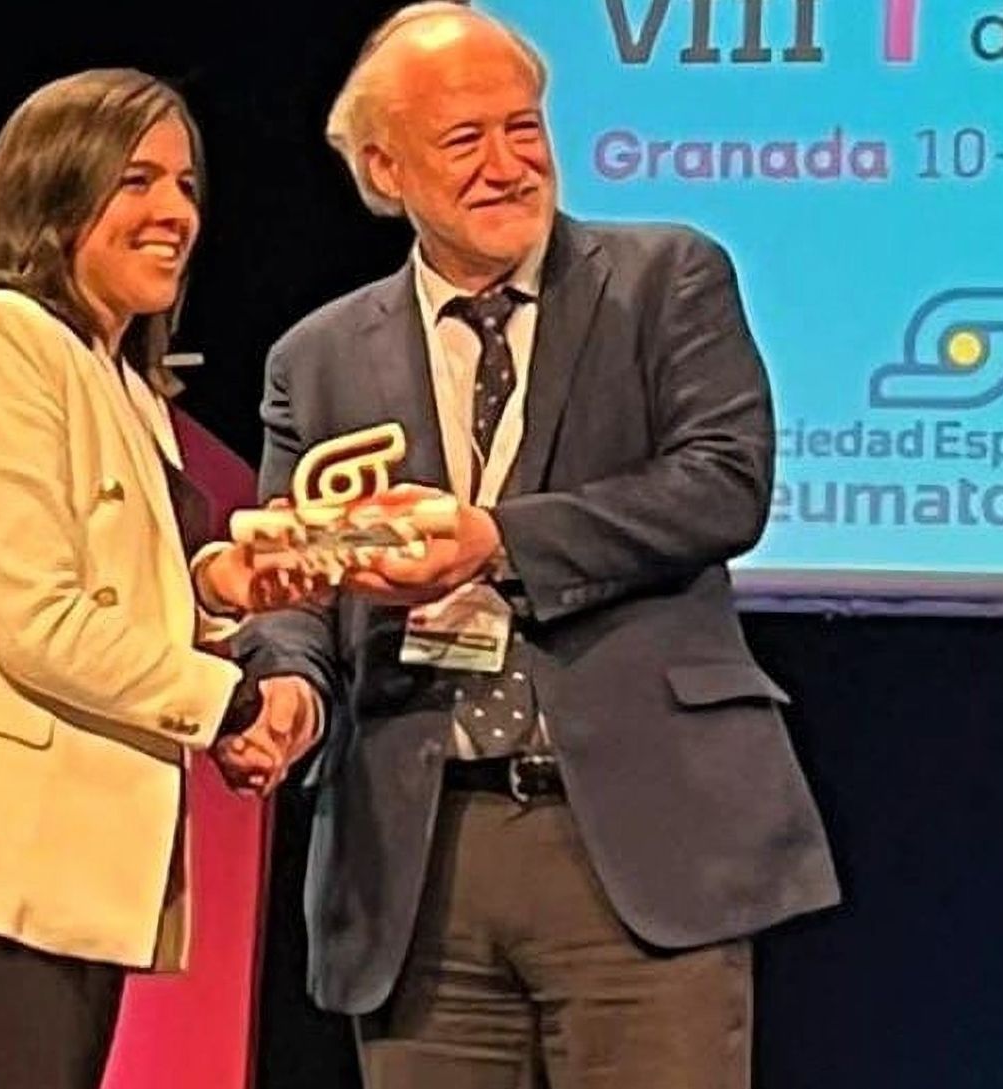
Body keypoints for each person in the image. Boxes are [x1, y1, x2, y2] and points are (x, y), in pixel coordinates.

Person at [226, 5, 840, 1087]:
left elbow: (723, 483)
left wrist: (493, 541)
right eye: (465, 139)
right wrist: (284, 688)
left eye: (525, 128)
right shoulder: (314, 359)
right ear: (382, 164)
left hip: (637, 844)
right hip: (417, 865)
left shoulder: (664, 281)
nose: (509, 165)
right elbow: (297, 587)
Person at [0, 69, 315, 1089]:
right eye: (136, 181)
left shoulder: (118, 376)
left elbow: (116, 584)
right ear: (54, 191)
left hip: (58, 860)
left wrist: (218, 592)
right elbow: (36, 615)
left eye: (186, 185)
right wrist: (234, 701)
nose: (175, 212)